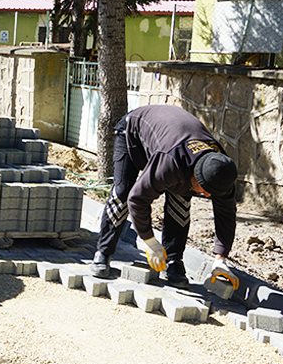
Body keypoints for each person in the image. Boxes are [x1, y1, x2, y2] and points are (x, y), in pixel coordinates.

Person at [90, 105, 240, 291]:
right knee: (123, 193)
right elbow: (138, 200)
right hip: (133, 133)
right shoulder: (171, 162)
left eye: (211, 192)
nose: (207, 195)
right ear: (196, 174)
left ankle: (174, 261)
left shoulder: (221, 171)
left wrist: (220, 258)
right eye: (205, 189)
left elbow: (226, 213)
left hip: (169, 142)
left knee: (181, 200)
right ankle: (103, 252)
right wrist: (150, 241)